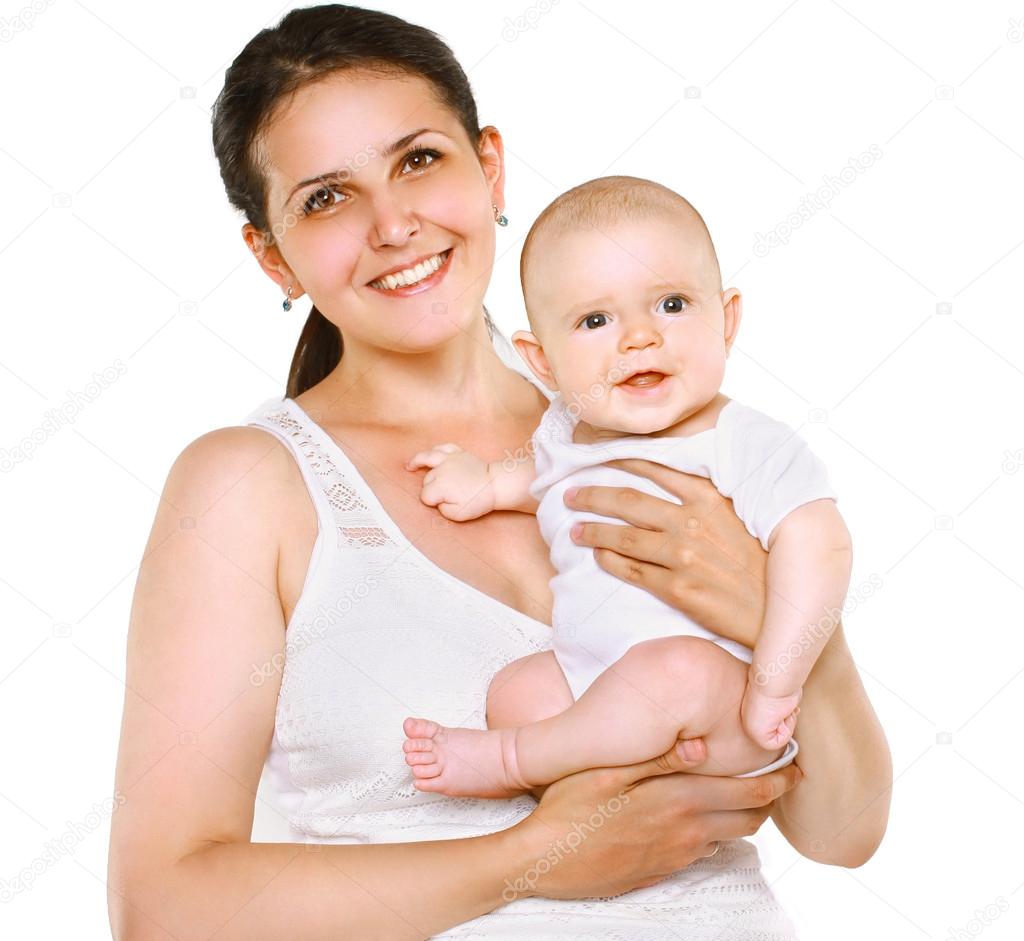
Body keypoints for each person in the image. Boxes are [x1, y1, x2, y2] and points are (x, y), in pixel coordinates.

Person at [107, 5, 892, 940]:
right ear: (271, 255)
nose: (393, 223)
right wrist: (534, 859)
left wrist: (785, 621)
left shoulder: (667, 421)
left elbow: (844, 832)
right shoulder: (247, 487)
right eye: (326, 197)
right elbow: (162, 906)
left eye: (418, 160)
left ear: (490, 168)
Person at [400, 176, 851, 800]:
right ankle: (598, 801)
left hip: (727, 700)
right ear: (545, 364)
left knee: (674, 671)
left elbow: (820, 545)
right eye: (595, 319)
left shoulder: (741, 440)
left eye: (670, 304)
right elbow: (552, 478)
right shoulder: (569, 434)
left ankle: (511, 760)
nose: (640, 337)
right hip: (596, 680)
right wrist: (486, 485)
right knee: (518, 690)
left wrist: (777, 679)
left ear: (726, 320)